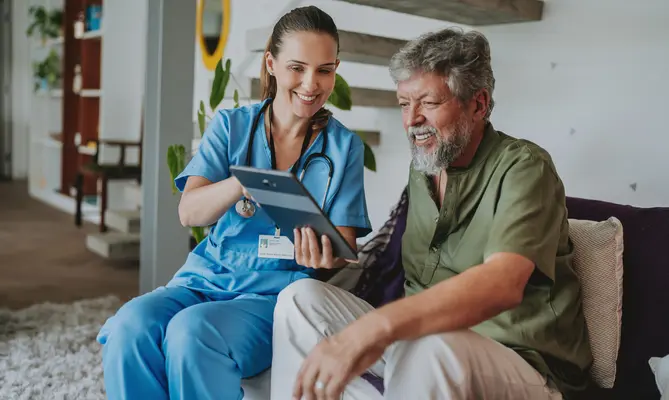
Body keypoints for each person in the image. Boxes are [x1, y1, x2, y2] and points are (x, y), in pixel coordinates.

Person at [270, 27, 593, 400]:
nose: (411, 120)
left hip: (522, 365)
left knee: (431, 346)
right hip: (421, 357)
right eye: (404, 104)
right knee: (300, 299)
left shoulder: (524, 167)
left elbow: (501, 283)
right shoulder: (424, 167)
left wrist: (376, 326)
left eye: (429, 103)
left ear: (478, 104)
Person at [96, 6, 372, 400]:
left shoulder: (344, 147)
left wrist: (324, 257)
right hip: (204, 279)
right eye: (298, 67)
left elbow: (344, 249)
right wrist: (243, 183)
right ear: (271, 64)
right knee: (129, 327)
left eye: (325, 70)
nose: (311, 83)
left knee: (192, 332)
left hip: (273, 295)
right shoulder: (232, 126)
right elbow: (189, 212)